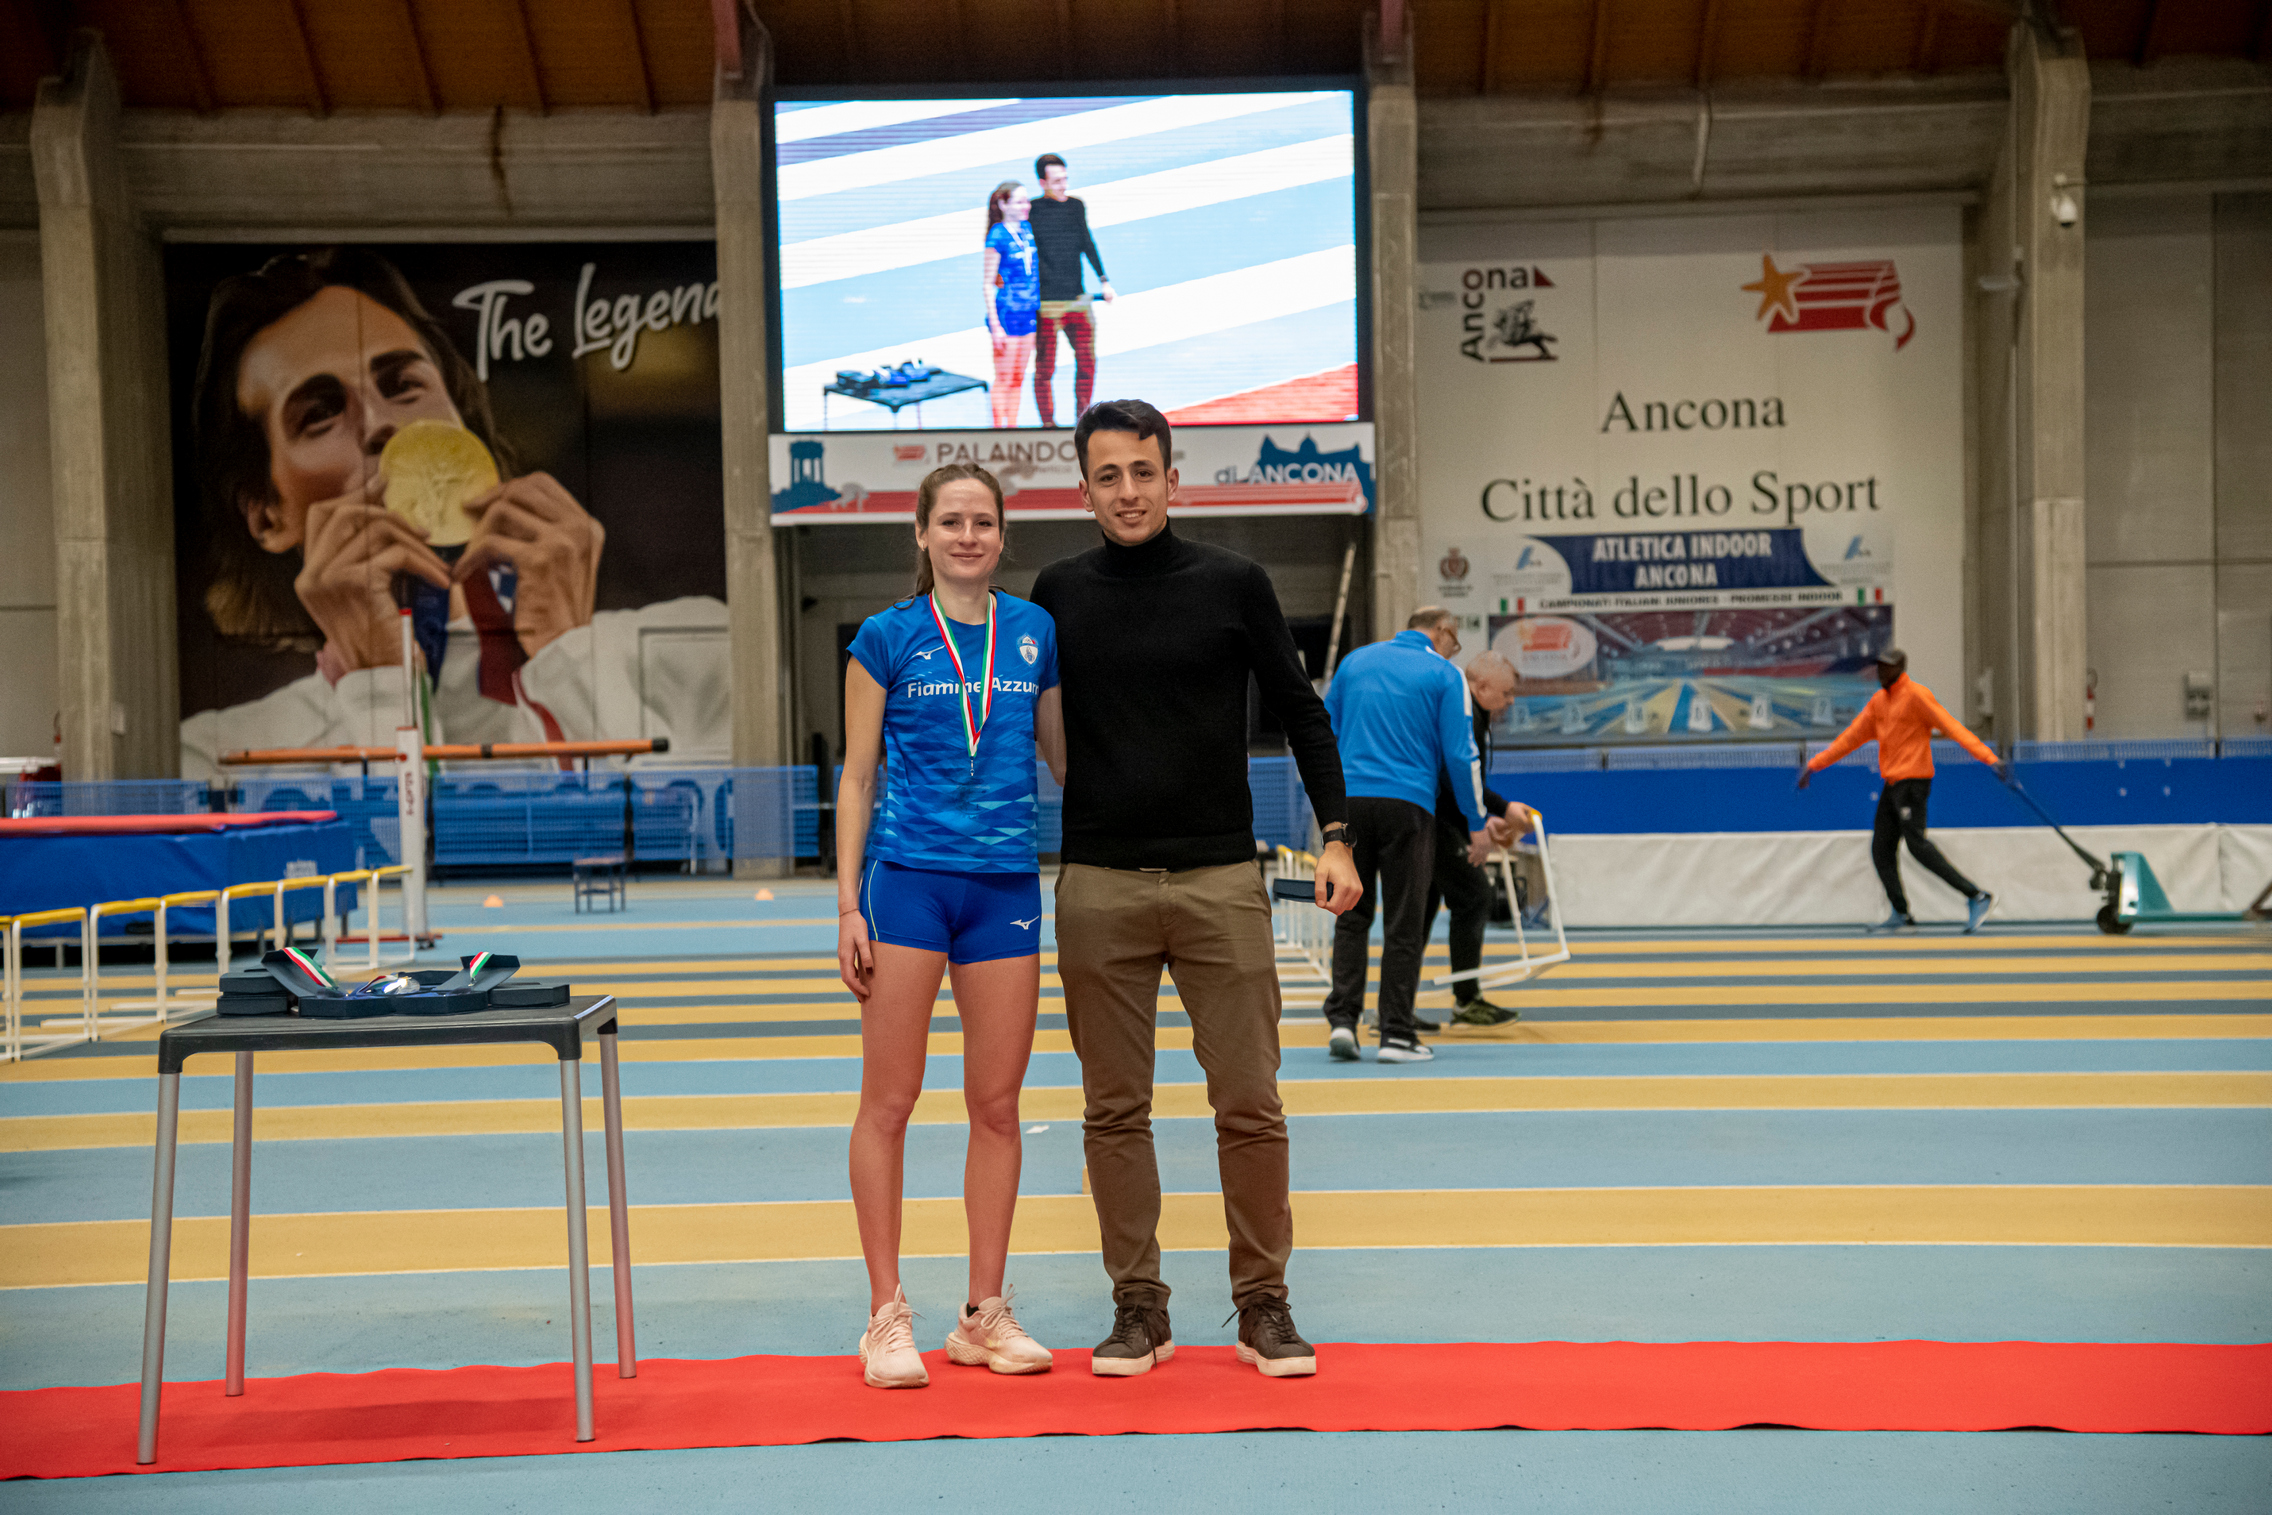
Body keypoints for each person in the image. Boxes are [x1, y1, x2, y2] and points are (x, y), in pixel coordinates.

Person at [1032, 399, 1360, 1381]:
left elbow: (1302, 713)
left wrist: (1335, 837)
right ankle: (1138, 1305)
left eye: (1143, 472)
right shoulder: (1056, 593)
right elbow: (1021, 725)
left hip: (1221, 879)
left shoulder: (1235, 583)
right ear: (1084, 490)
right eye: (1107, 476)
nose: (1127, 491)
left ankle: (1263, 1302)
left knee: (1250, 1103)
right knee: (1112, 1110)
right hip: (1098, 882)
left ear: (1173, 479)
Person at [178, 246, 726, 776]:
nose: (381, 425)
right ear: (267, 516)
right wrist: (377, 689)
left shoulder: (696, 654)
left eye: (404, 385)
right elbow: (397, 849)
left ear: (463, 432)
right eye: (319, 414)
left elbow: (671, 832)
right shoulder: (219, 758)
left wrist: (569, 654)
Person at [835, 463, 1065, 1388]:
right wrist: (848, 905)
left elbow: (1065, 759)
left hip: (1005, 888)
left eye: (984, 522)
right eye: (952, 522)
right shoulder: (885, 637)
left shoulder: (1035, 632)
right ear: (922, 534)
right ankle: (885, 1314)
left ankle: (982, 1312)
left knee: (998, 1106)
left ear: (1003, 535)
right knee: (889, 1101)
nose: (969, 536)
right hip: (909, 887)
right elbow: (858, 777)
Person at [1319, 609, 1493, 1064]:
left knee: (1351, 914)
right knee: (1404, 920)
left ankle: (1343, 1021)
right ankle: (1396, 1033)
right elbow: (1461, 754)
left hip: (1350, 802)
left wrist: (1328, 807)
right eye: (1454, 641)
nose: (1453, 649)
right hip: (1408, 804)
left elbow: (1325, 733)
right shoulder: (1445, 674)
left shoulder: (1355, 661)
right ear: (1442, 631)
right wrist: (1476, 822)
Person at [1797, 647, 2001, 933]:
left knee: (1917, 846)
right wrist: (1814, 765)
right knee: (1881, 848)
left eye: (1888, 667)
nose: (1881, 671)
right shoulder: (1878, 703)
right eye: (1879, 666)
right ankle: (1901, 913)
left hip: (1913, 782)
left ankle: (1977, 896)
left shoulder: (1917, 696)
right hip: (1892, 784)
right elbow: (1849, 739)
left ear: (1900, 668)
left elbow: (1952, 727)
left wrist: (1990, 758)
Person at [1413, 638, 1536, 1028]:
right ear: (1481, 687)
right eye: (1506, 693)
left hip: (1427, 816)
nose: (1510, 701)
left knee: (1421, 910)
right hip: (1431, 818)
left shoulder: (1463, 710)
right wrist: (1496, 812)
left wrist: (1484, 817)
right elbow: (1456, 777)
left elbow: (1462, 783)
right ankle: (1466, 1000)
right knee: (1474, 895)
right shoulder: (1465, 714)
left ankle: (1394, 1008)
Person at [1028, 154, 1115, 428]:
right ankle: (1047, 425)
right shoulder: (1031, 210)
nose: (1063, 185)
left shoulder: (1076, 206)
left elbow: (1087, 241)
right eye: (1056, 181)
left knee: (1087, 362)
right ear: (1042, 182)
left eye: (1065, 179)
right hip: (1047, 303)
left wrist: (1103, 279)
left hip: (1078, 298)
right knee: (1045, 368)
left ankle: (1083, 421)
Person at [983, 182, 1041, 428]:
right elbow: (988, 284)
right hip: (1008, 315)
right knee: (1004, 379)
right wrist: (995, 325)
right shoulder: (997, 235)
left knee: (1018, 379)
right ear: (1003, 205)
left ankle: (1013, 428)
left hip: (1029, 313)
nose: (1026, 206)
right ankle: (999, 431)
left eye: (1026, 201)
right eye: (1019, 202)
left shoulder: (1027, 229)